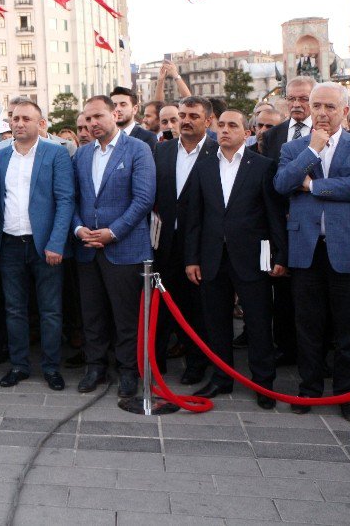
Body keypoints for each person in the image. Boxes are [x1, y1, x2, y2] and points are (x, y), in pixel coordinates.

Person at [274, 82, 350, 422]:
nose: (322, 113)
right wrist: (311, 151)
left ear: (344, 110)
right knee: (308, 326)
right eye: (317, 106)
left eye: (330, 106)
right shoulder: (295, 148)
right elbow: (282, 184)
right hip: (306, 250)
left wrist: (313, 185)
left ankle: (347, 395)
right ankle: (309, 390)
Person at [185, 109, 287, 409]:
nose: (225, 130)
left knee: (257, 322)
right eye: (222, 125)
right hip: (212, 258)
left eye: (233, 125)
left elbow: (274, 215)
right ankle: (221, 378)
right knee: (216, 322)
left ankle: (263, 383)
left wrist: (281, 254)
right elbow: (195, 217)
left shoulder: (263, 166)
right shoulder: (203, 167)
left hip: (252, 257)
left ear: (248, 131)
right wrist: (192, 258)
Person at [72, 95, 156, 397]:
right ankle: (94, 367)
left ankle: (128, 371)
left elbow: (144, 199)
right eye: (88, 118)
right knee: (92, 313)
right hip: (88, 249)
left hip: (125, 248)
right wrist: (80, 228)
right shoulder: (81, 155)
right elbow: (74, 199)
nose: (93, 123)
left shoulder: (138, 150)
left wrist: (113, 232)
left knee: (126, 316)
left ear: (115, 114)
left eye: (98, 117)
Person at [0, 99, 74, 390]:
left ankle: (51, 367)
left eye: (26, 118)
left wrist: (57, 243)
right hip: (9, 244)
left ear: (40, 124)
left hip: (45, 246)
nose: (19, 123)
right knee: (14, 309)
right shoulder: (0, 156)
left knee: (50, 310)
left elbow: (65, 200)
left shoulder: (55, 154)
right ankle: (19, 366)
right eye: (15, 118)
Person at [151, 97, 216, 384]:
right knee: (161, 305)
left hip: (200, 245)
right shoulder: (162, 151)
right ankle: (157, 361)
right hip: (163, 242)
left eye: (193, 115)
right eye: (182, 115)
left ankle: (196, 364)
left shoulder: (217, 152)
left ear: (208, 121)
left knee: (196, 309)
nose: (186, 120)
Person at [258, 76, 315, 366]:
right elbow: (270, 182)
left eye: (303, 99)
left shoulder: (324, 131)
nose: (296, 104)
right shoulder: (273, 135)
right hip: (279, 223)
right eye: (291, 98)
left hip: (314, 222)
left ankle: (315, 353)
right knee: (280, 289)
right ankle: (285, 347)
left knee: (312, 294)